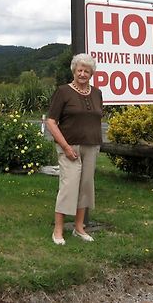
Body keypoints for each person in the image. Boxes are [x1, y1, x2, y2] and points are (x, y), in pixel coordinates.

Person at [46, 53, 103, 245]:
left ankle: (79, 228)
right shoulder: (63, 92)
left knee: (86, 187)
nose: (83, 74)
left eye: (87, 71)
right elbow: (51, 121)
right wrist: (65, 146)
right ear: (74, 71)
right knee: (68, 187)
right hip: (69, 147)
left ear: (92, 73)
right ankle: (58, 230)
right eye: (80, 70)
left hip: (91, 146)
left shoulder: (97, 93)